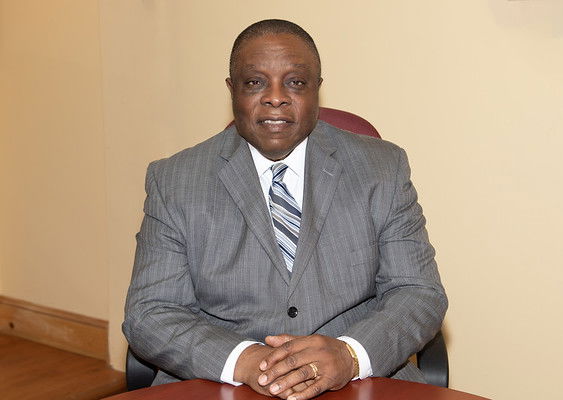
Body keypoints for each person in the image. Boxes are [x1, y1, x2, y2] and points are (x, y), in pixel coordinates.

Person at [123, 19, 447, 400]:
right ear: (232, 90)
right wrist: (245, 361)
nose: (275, 97)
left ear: (317, 91)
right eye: (254, 82)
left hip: (360, 383)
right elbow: (150, 312)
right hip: (219, 383)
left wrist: (350, 354)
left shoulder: (382, 168)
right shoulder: (174, 179)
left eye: (295, 82)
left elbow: (419, 292)